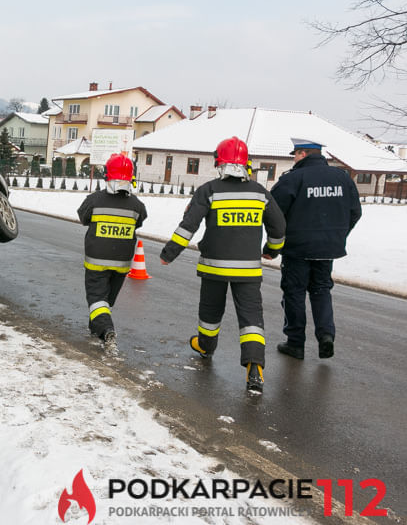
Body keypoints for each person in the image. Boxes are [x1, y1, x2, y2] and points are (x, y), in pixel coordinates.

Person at [159, 137, 286, 392]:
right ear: (246, 165)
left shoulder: (209, 190)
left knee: (210, 312)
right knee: (251, 319)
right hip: (248, 270)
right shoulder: (260, 193)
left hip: (214, 268)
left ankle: (205, 346)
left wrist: (169, 253)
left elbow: (189, 226)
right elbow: (279, 227)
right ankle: (254, 367)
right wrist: (272, 250)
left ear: (220, 163)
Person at [269, 139, 362, 360]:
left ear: (302, 154)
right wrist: (336, 236)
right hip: (328, 249)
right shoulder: (343, 178)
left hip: (297, 249)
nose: (294, 158)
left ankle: (295, 343)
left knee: (295, 293)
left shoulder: (292, 179)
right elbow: (355, 212)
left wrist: (272, 246)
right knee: (321, 290)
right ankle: (326, 336)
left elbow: (274, 216)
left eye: (295, 154)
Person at [77, 153, 148, 352]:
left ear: (107, 175)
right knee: (106, 300)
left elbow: (83, 217)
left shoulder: (94, 200)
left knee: (97, 298)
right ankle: (96, 327)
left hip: (96, 262)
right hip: (122, 264)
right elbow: (140, 220)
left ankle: (106, 330)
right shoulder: (137, 205)